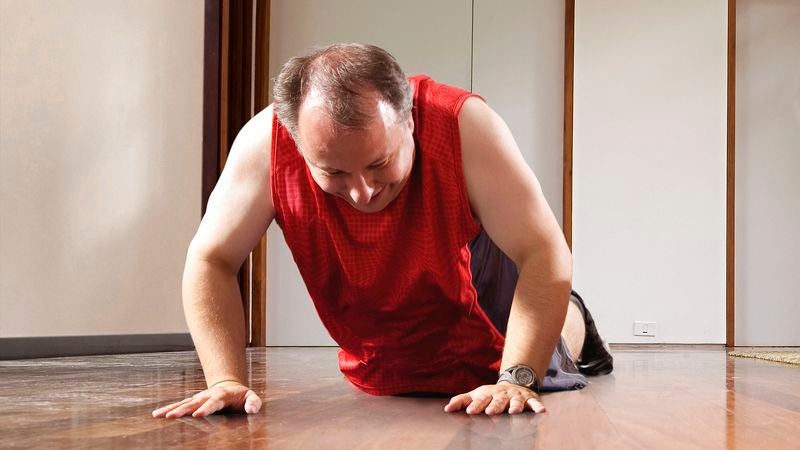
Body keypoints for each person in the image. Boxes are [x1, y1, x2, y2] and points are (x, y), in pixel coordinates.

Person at [152, 43, 613, 420]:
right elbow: (211, 258)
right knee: (401, 373)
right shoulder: (264, 145)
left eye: (379, 164)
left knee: (546, 360)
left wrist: (516, 377)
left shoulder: (464, 125)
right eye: (334, 173)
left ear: (409, 119)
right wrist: (225, 378)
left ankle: (573, 318)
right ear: (298, 143)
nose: (362, 192)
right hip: (384, 344)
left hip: (479, 302)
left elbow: (544, 252)